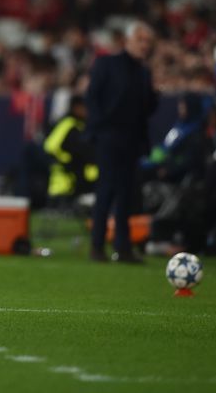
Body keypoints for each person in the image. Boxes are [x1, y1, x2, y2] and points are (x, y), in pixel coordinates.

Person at [86, 21, 158, 263]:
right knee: (106, 190)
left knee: (127, 194)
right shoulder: (107, 63)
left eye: (148, 41)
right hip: (108, 137)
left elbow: (147, 108)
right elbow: (93, 97)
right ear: (127, 41)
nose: (144, 46)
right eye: (140, 40)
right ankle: (97, 246)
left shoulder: (144, 72)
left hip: (132, 140)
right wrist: (98, 130)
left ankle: (123, 247)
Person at [43, 95, 97, 203]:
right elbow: (78, 150)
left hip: (65, 165)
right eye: (85, 108)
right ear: (77, 108)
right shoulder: (71, 125)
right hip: (64, 168)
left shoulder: (76, 124)